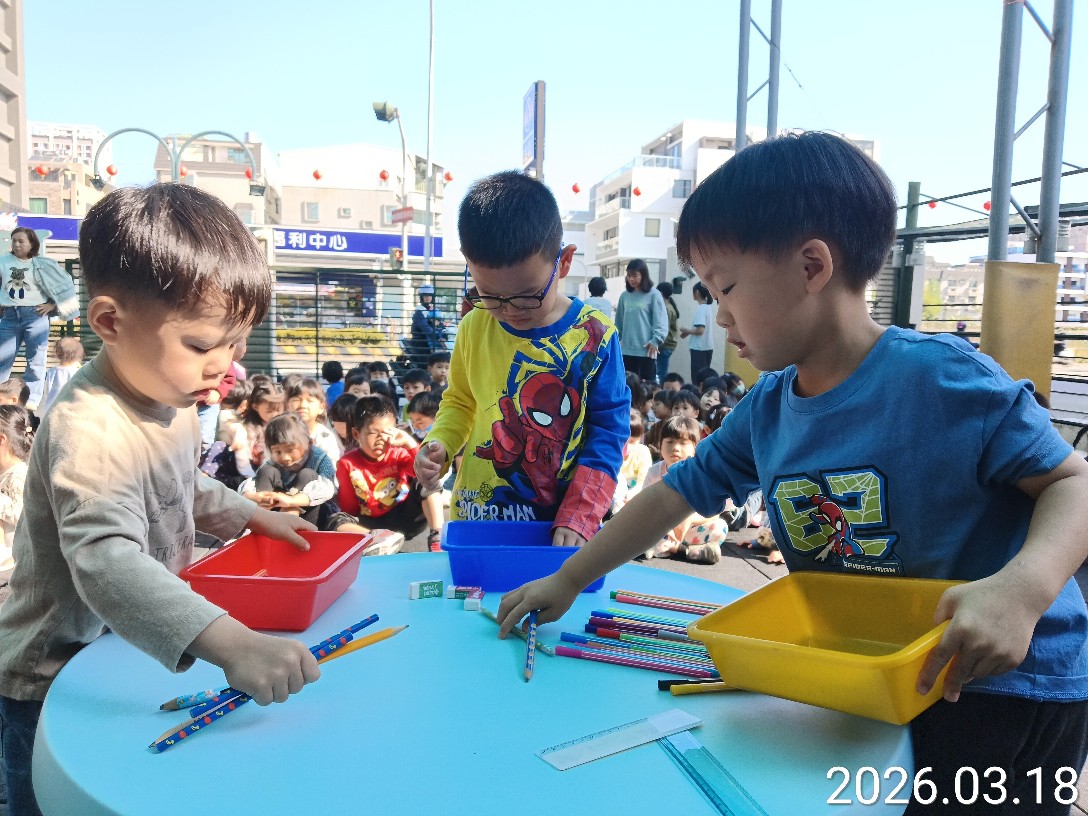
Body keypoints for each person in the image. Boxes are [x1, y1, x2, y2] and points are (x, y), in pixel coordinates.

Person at [498, 132, 1088, 815]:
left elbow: (1073, 484)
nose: (719, 314)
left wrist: (1022, 591)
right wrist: (570, 577)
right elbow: (673, 494)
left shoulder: (945, 381)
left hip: (1002, 687)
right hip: (867, 675)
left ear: (812, 266)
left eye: (725, 287)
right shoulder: (769, 408)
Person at [0, 184, 321, 815]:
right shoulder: (90, 428)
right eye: (202, 345)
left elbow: (181, 484)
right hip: (51, 676)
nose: (223, 366)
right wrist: (236, 645)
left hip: (118, 652)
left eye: (235, 344)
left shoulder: (168, 397)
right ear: (109, 322)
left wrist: (251, 515)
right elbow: (107, 560)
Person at [415, 170, 629, 547]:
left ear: (564, 263)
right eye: (490, 296)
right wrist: (440, 444)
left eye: (528, 296)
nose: (509, 311)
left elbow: (608, 431)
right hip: (481, 512)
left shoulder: (596, 336)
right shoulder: (474, 325)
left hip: (563, 525)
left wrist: (581, 513)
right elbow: (460, 401)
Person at [331, 395, 444, 552]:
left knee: (425, 478)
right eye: (373, 433)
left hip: (405, 517)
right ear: (356, 434)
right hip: (372, 524)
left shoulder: (399, 453)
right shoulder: (347, 463)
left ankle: (438, 537)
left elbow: (428, 469)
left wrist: (410, 443)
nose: (381, 439)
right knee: (336, 520)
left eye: (386, 432)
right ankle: (378, 541)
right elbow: (349, 507)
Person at [0, 227, 79, 411]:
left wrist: (53, 305)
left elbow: (63, 284)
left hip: (35, 317)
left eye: (21, 241)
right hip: (10, 316)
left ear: (32, 244)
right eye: (14, 240)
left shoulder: (42, 264)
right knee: (3, 357)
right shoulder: (3, 261)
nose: (16, 244)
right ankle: (1, 397)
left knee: (36, 360)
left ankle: (31, 401)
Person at [640, 416, 723, 565]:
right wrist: (666, 527)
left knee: (719, 527)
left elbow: (714, 512)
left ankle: (672, 549)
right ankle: (683, 550)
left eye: (683, 443)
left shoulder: (700, 474)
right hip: (660, 527)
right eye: (669, 442)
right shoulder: (654, 472)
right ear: (660, 445)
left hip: (688, 529)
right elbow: (646, 506)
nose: (675, 448)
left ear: (696, 447)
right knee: (640, 527)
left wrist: (689, 519)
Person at [241, 412, 337, 529]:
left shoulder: (319, 458)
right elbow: (254, 480)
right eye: (278, 452)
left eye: (290, 450)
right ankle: (263, 518)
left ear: (308, 444)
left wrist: (292, 501)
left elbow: (328, 487)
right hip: (276, 512)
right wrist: (253, 496)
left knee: (307, 474)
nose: (285, 457)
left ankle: (287, 520)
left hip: (310, 514)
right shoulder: (274, 462)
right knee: (266, 471)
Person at [614, 258, 667, 384]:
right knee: (628, 386)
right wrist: (614, 341)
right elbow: (618, 324)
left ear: (643, 275)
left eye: (635, 275)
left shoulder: (654, 295)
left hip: (647, 351)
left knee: (647, 387)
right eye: (628, 276)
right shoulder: (624, 296)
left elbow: (661, 321)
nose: (631, 279)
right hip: (626, 350)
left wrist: (656, 340)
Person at [0, 405, 31, 571]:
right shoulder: (5, 473)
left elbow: (22, 514)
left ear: (1, 439)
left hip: (11, 561)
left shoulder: (19, 475)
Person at [285, 377, 341, 465]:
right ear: (287, 406)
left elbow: (330, 467)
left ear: (321, 407)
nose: (303, 405)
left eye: (309, 401)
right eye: (296, 400)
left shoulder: (324, 437)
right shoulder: (281, 431)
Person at [612, 407, 652, 514]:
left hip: (632, 495)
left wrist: (631, 494)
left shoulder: (642, 452)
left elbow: (643, 481)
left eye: (632, 442)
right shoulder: (613, 451)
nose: (627, 446)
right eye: (624, 442)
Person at [239, 381, 284, 477]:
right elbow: (244, 453)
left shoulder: (285, 424)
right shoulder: (250, 427)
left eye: (278, 410)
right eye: (269, 411)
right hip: (253, 468)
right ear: (255, 406)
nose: (274, 414)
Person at [38, 336, 84, 415]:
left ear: (57, 353)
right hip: (69, 409)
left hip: (51, 408)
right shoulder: (77, 371)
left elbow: (47, 390)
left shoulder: (52, 371)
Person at [680, 282, 716, 376]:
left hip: (699, 348)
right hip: (707, 347)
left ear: (697, 292)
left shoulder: (701, 308)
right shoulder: (708, 307)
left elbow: (700, 330)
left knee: (697, 377)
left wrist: (686, 331)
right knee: (704, 376)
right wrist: (688, 332)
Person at [410, 284, 448, 363]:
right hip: (421, 344)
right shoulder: (419, 311)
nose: (428, 298)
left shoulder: (433, 310)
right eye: (425, 295)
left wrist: (445, 333)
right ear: (421, 297)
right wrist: (439, 337)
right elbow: (426, 328)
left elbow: (441, 324)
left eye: (430, 295)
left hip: (431, 342)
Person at [655, 281, 680, 386]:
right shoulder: (669, 306)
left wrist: (657, 345)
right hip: (668, 344)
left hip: (665, 345)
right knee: (661, 371)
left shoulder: (666, 308)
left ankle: (662, 391)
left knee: (660, 373)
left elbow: (665, 329)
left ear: (660, 293)